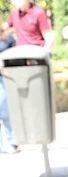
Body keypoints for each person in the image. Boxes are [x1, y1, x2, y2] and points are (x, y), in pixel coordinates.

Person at [0, 19, 16, 154]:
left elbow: (14, 54)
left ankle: (12, 140)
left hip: (5, 77)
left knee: (5, 109)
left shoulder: (7, 38)